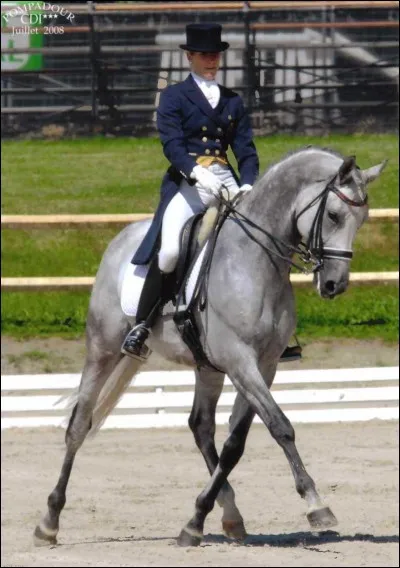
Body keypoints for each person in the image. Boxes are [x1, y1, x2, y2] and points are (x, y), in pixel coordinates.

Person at [121, 23, 301, 364]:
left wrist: (248, 183)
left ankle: (280, 331)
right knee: (171, 250)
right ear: (190, 56)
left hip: (228, 184)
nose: (211, 60)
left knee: (265, 242)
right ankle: (142, 326)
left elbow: (246, 150)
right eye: (205, 55)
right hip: (191, 185)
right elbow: (172, 145)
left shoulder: (232, 101)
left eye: (215, 55)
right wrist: (198, 172)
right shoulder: (174, 97)